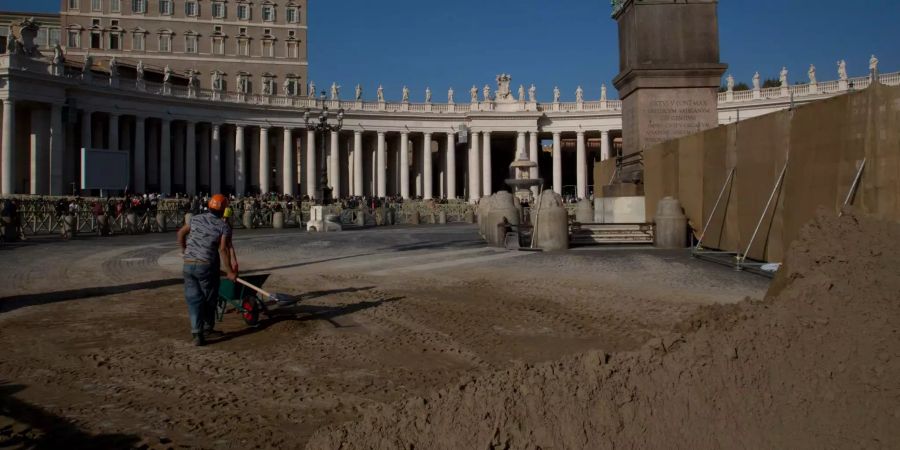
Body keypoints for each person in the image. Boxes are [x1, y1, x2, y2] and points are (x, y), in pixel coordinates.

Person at [177, 194, 237, 347]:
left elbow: (180, 233)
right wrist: (229, 271)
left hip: (188, 264)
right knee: (209, 298)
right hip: (206, 265)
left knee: (193, 299)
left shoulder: (196, 218)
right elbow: (223, 249)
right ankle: (208, 328)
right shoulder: (223, 226)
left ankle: (197, 333)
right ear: (223, 210)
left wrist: (184, 249)